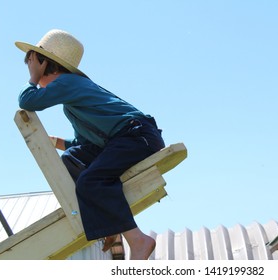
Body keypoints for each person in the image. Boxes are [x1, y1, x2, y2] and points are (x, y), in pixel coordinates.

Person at [15, 29, 165, 259]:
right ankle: (110, 224)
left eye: (33, 65)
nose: (31, 70)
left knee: (91, 180)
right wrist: (57, 142)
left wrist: (33, 78)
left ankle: (139, 240)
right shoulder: (72, 96)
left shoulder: (67, 82)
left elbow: (28, 101)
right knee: (72, 159)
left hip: (136, 136)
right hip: (128, 138)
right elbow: (83, 142)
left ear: (45, 64)